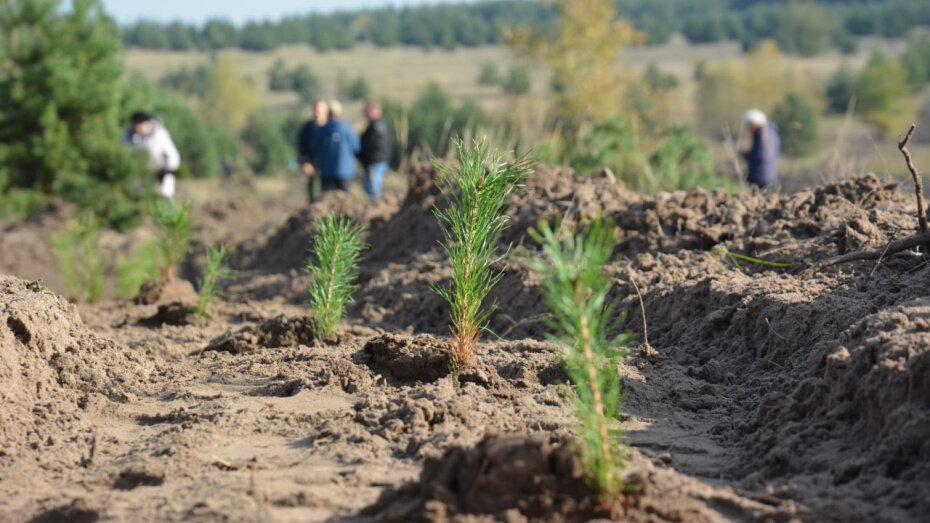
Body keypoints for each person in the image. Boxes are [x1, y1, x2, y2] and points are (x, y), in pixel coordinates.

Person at [123, 111, 181, 199]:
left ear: (147, 123)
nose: (137, 128)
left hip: (161, 180)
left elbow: (173, 156)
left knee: (163, 208)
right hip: (140, 181)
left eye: (139, 125)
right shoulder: (129, 137)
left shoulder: (159, 134)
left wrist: (166, 171)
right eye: (134, 125)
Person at [307, 99, 360, 193]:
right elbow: (356, 147)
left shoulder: (320, 130)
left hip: (326, 171)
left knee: (328, 200)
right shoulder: (347, 128)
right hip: (345, 171)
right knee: (345, 201)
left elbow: (314, 149)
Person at [358, 101, 392, 201]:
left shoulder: (376, 127)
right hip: (377, 160)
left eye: (367, 112)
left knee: (373, 189)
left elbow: (368, 145)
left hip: (375, 161)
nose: (365, 115)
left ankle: (375, 208)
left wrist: (360, 155)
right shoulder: (379, 125)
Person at [298, 100, 329, 202]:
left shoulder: (331, 127)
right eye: (315, 110)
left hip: (329, 168)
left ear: (326, 111)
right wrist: (305, 163)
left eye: (319, 110)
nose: (316, 113)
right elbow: (302, 147)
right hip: (312, 166)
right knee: (313, 196)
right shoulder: (307, 128)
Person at [741, 109, 780, 188]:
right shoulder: (771, 132)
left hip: (762, 178)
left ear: (754, 123)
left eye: (748, 125)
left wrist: (745, 155)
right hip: (769, 177)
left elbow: (760, 155)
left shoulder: (762, 135)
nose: (748, 128)